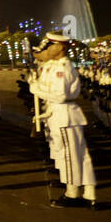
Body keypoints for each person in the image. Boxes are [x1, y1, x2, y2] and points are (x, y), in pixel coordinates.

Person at [37, 33, 97, 209]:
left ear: (59, 47)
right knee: (80, 155)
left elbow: (60, 95)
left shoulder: (61, 68)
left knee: (70, 156)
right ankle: (89, 192)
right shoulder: (61, 66)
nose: (47, 50)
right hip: (64, 114)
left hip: (64, 115)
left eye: (50, 46)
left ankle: (72, 194)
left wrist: (38, 90)